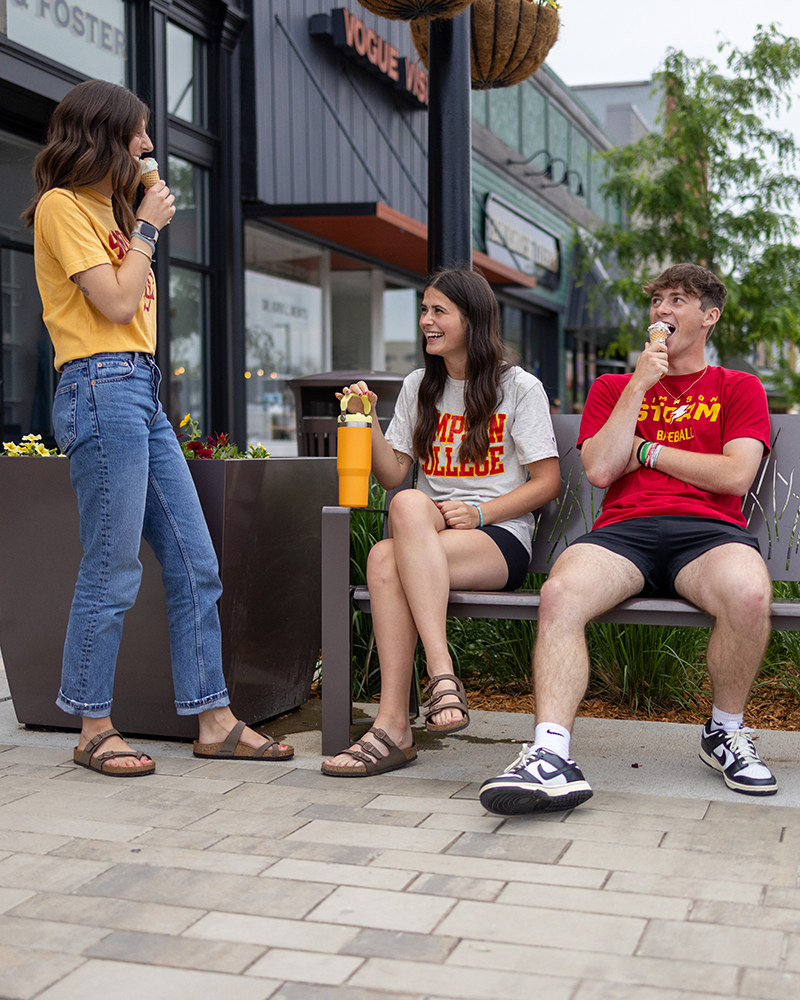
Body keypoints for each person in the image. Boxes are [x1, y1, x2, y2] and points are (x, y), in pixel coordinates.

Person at [24, 79, 292, 776]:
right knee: (112, 566)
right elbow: (114, 303)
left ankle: (215, 720)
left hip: (138, 389)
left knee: (195, 561)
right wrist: (145, 229)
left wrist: (137, 224)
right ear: (105, 135)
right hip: (98, 384)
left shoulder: (111, 212)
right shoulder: (62, 207)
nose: (148, 145)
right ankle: (91, 727)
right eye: (139, 133)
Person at [480, 263, 777, 815]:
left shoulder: (737, 387)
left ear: (709, 317)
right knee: (560, 593)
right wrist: (641, 383)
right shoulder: (615, 387)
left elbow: (735, 475)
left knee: (751, 594)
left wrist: (650, 452)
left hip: (709, 535)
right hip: (626, 534)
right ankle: (550, 755)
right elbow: (599, 470)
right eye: (658, 300)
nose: (663, 310)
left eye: (679, 300)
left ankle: (725, 732)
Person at [321, 267, 561, 777]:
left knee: (390, 551)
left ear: (473, 320)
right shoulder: (418, 386)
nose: (426, 321)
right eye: (424, 310)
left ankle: (397, 723)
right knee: (401, 519)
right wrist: (365, 421)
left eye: (438, 312)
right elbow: (393, 476)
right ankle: (428, 687)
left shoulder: (518, 388)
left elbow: (547, 483)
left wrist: (480, 512)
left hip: (497, 538)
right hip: (428, 536)